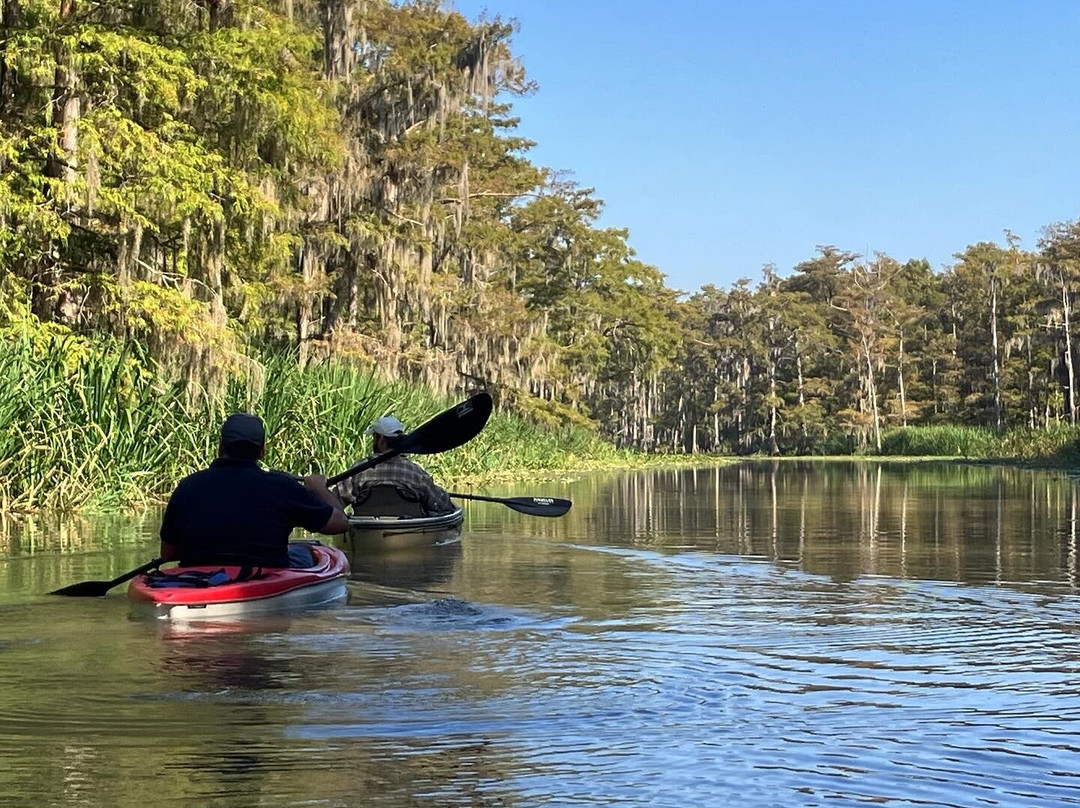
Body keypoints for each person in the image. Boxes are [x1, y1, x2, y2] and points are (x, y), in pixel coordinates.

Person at [159, 412, 349, 568]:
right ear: (262, 451)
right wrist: (319, 489)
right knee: (306, 551)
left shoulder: (187, 486)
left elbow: (168, 553)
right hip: (264, 574)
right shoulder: (282, 486)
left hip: (199, 577)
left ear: (220, 447)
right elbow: (340, 523)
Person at [335, 415, 455, 515]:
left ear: (381, 439)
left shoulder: (358, 471)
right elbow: (443, 506)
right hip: (410, 530)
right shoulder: (415, 473)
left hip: (366, 531)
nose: (373, 441)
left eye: (374, 438)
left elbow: (334, 501)